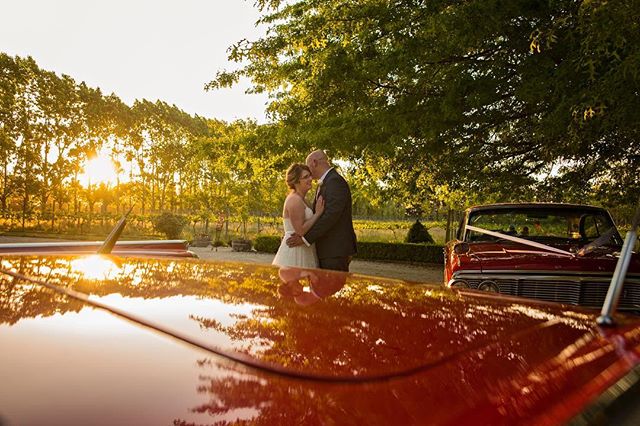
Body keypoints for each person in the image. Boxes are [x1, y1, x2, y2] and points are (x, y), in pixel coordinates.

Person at [286, 150, 357, 272]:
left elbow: (330, 216)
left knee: (330, 288)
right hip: (326, 251)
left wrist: (305, 239)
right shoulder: (325, 183)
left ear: (314, 162)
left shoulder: (334, 182)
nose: (309, 174)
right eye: (305, 176)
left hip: (334, 251)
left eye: (308, 168)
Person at [272, 164, 325, 268]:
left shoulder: (303, 199)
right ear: (296, 181)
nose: (310, 179)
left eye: (310, 175)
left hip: (304, 248)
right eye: (305, 177)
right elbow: (300, 230)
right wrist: (317, 214)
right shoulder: (294, 200)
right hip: (295, 250)